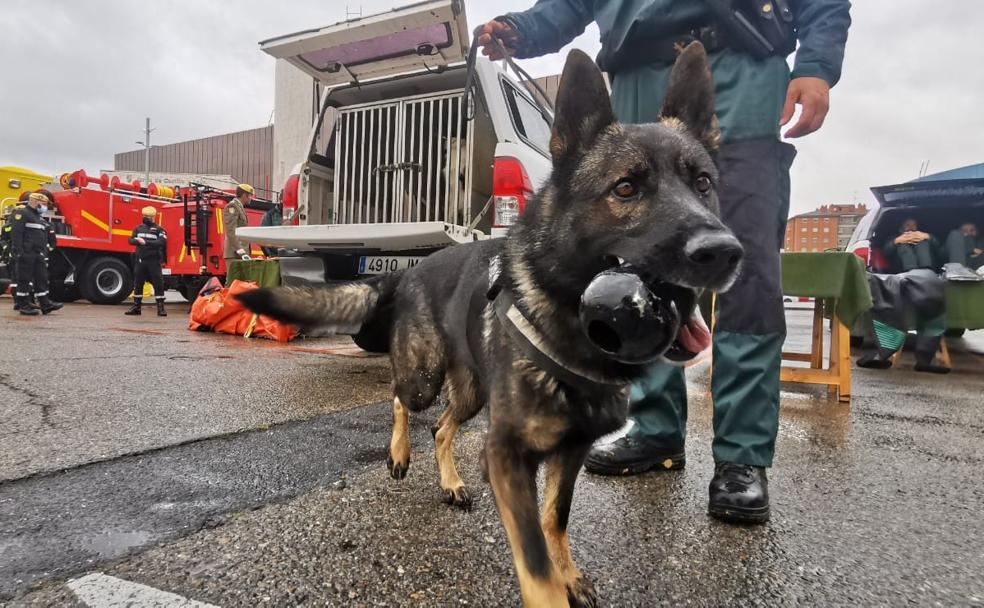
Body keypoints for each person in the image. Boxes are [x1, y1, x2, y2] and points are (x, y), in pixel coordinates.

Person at [477, 0, 851, 524]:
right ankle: (654, 429)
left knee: (746, 277)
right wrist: (521, 29)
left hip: (743, 67)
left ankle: (742, 456)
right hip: (635, 68)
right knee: (631, 266)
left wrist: (816, 65)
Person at [10, 192, 62, 315]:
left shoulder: (38, 218)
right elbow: (17, 233)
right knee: (24, 279)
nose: (45, 207)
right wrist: (18, 251)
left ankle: (45, 304)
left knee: (41, 278)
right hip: (26, 252)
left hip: (38, 253)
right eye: (43, 204)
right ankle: (23, 304)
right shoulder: (22, 213)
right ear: (36, 202)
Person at [124, 206, 168, 317]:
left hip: (154, 261)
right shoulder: (138, 228)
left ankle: (161, 308)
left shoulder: (159, 229)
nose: (148, 218)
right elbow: (130, 240)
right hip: (140, 260)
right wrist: (136, 241)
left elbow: (161, 242)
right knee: (138, 284)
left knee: (158, 284)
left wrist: (145, 242)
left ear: (153, 217)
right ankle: (136, 307)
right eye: (146, 216)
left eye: (149, 217)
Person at [224, 184, 253, 263]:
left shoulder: (239, 207)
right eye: (250, 195)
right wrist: (240, 250)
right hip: (235, 253)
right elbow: (231, 230)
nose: (251, 198)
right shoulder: (232, 206)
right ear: (244, 195)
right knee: (233, 276)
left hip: (239, 253)